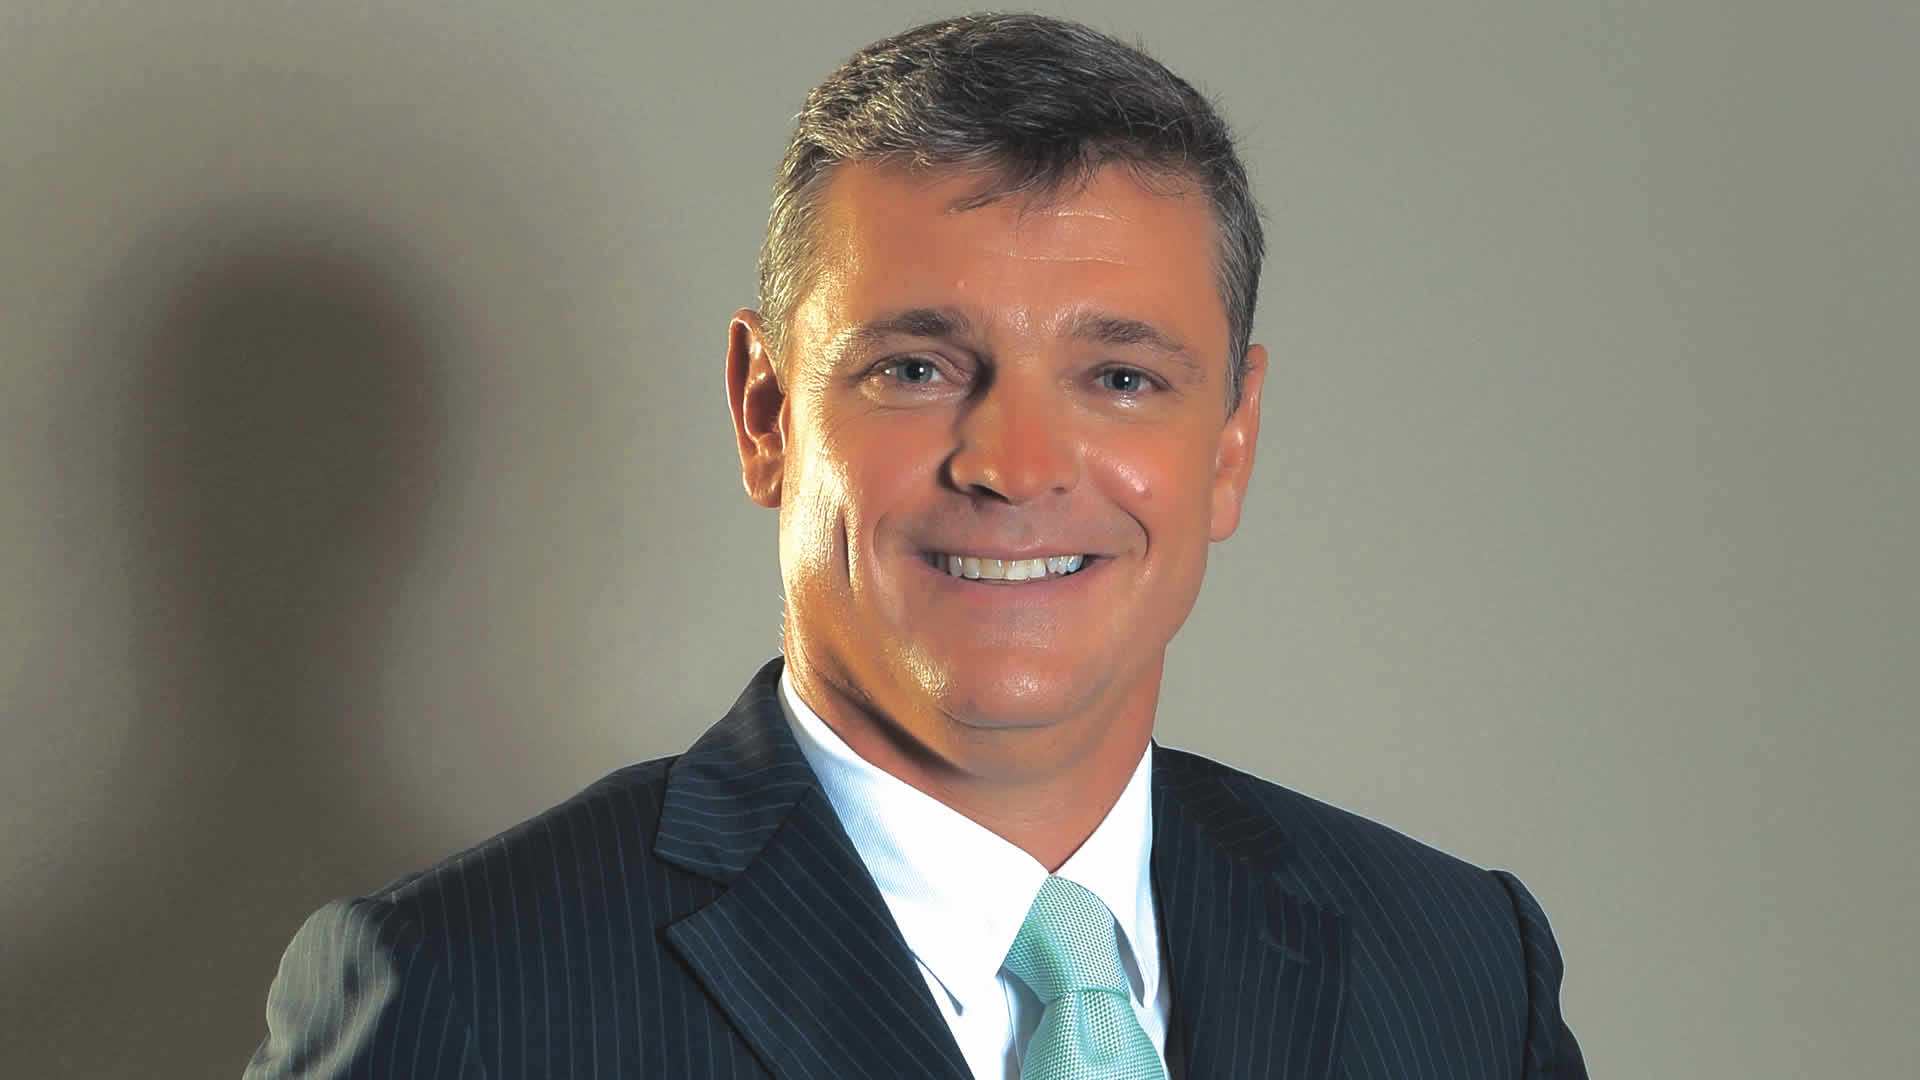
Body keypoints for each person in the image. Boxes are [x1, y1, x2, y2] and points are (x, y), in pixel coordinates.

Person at [247, 13, 1586, 1078]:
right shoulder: (469, 995)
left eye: (1121, 378)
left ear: (1230, 445)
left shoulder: (1461, 972)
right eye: (915, 368)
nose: (1014, 465)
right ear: (766, 413)